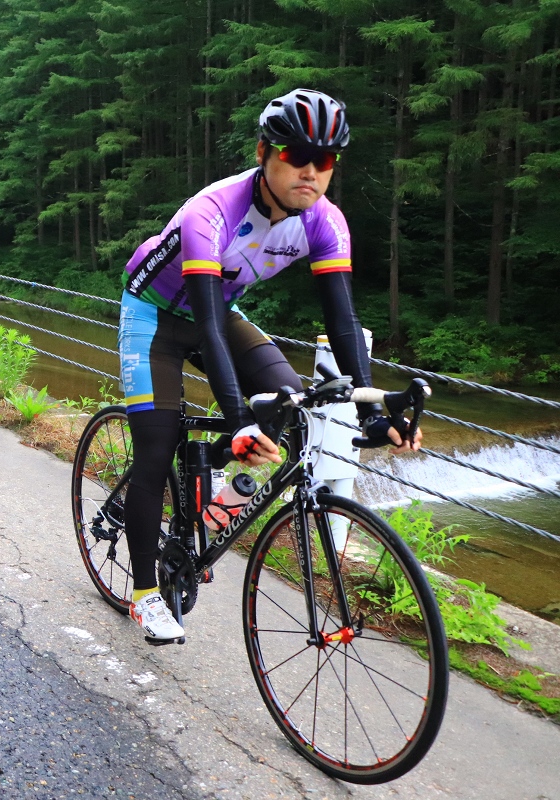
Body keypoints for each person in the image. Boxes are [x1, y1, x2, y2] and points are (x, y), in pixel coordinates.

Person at [117, 89, 422, 644]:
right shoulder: (212, 210)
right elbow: (207, 329)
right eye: (296, 155)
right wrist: (239, 420)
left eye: (324, 160)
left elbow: (344, 320)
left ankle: (211, 488)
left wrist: (373, 407)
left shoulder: (325, 222)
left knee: (292, 404)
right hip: (157, 316)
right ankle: (145, 593)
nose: (310, 170)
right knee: (156, 447)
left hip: (220, 311)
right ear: (265, 152)